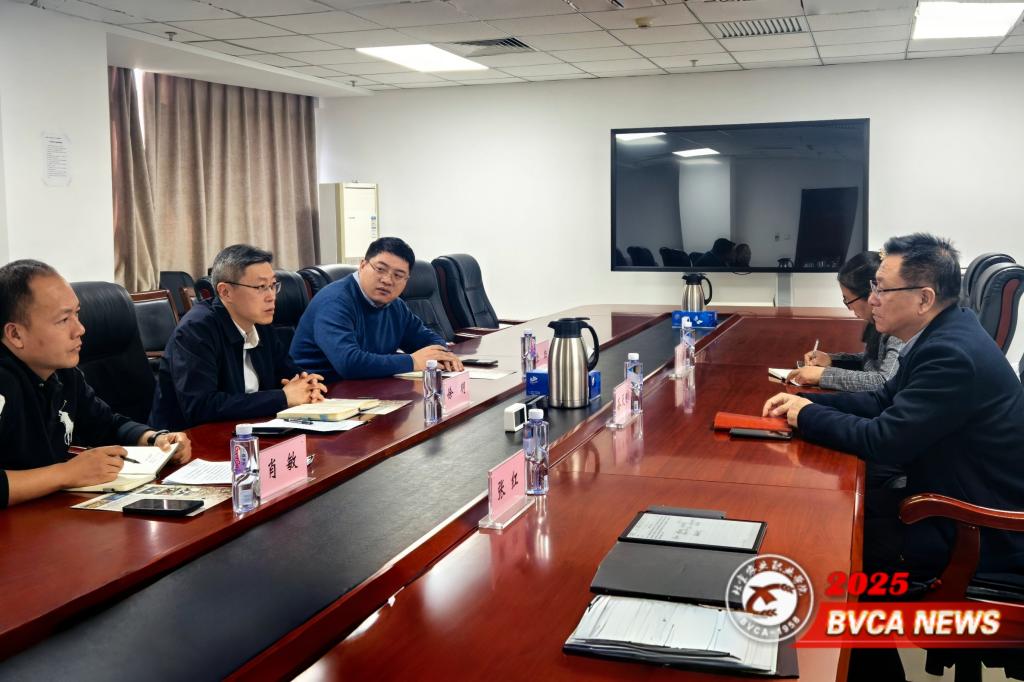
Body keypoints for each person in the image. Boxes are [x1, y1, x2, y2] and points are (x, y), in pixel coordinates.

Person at [763, 234, 1024, 581]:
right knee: (823, 506)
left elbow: (882, 442)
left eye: (882, 290)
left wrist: (806, 415)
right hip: (945, 492)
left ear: (924, 299)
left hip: (973, 527)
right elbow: (881, 399)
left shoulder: (951, 355)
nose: (872, 299)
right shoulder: (945, 331)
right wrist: (808, 400)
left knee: (817, 545)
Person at [0, 260, 192, 508]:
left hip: (47, 511)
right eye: (63, 320)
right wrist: (66, 474)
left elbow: (105, 424)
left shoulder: (63, 372)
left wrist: (155, 439)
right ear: (15, 334)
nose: (80, 329)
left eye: (77, 313)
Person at [150, 245, 326, 431]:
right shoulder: (195, 331)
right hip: (189, 440)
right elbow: (201, 407)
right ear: (225, 292)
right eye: (261, 287)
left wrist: (308, 385)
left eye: (273, 285)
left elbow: (288, 372)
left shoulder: (260, 324)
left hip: (250, 430)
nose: (271, 296)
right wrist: (282, 398)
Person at [290, 237, 463, 381]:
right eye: (380, 269)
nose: (387, 280)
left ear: (406, 280)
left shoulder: (395, 305)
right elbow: (348, 363)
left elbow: (427, 339)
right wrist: (412, 362)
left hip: (367, 388)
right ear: (362, 265)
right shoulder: (335, 301)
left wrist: (442, 355)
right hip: (322, 393)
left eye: (398, 275)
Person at [787, 251, 903, 392]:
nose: (849, 307)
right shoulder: (878, 322)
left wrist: (823, 375)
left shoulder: (900, 329)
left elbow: (884, 382)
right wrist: (831, 360)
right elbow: (871, 362)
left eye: (847, 300)